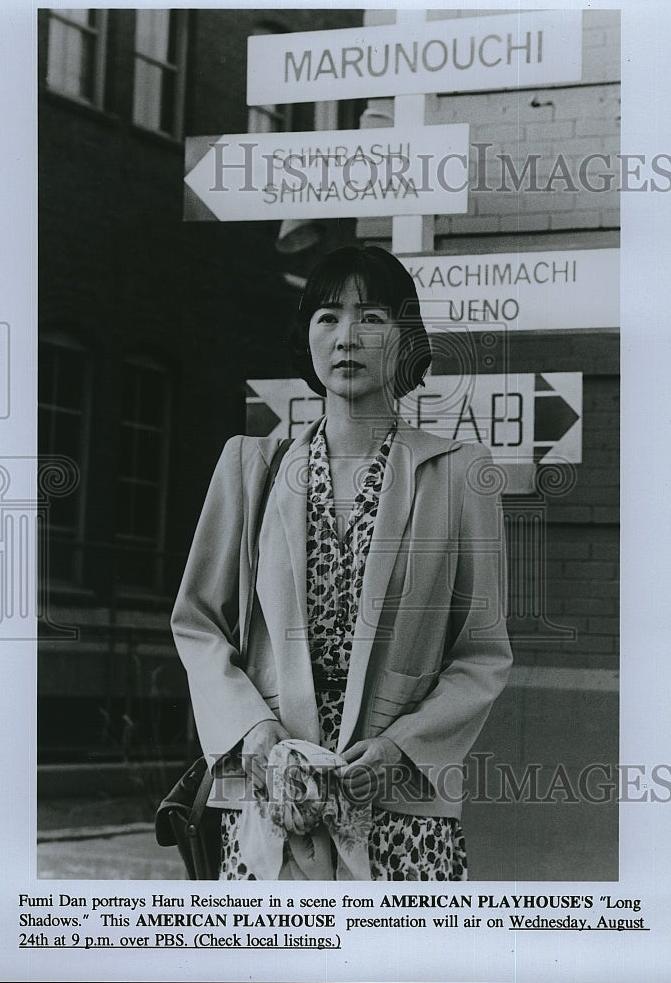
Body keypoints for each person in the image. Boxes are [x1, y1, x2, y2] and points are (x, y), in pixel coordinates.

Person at [171, 244, 512, 880]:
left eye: (372, 317)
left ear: (406, 338)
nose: (347, 336)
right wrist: (252, 732)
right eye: (327, 316)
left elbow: (481, 654)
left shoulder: (460, 474)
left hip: (399, 810)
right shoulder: (251, 467)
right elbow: (198, 623)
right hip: (272, 799)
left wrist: (399, 748)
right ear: (306, 338)